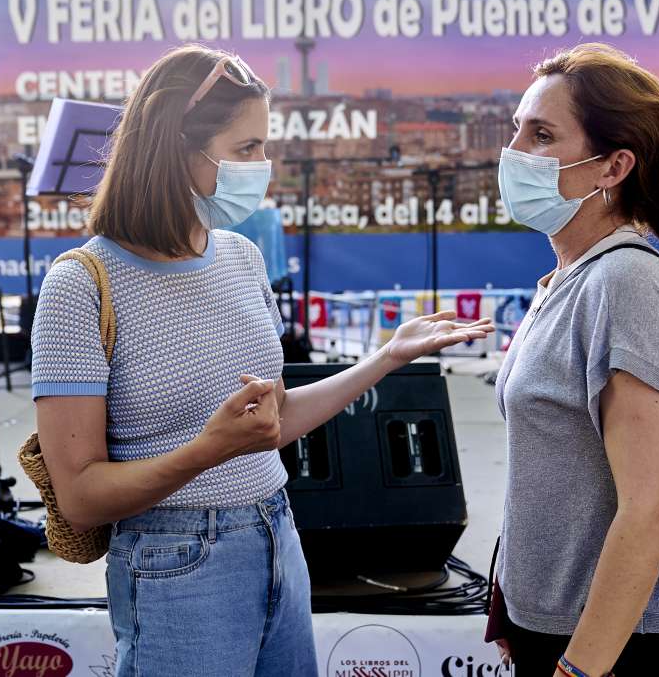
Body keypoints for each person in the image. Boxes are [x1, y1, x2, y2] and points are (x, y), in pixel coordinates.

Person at [30, 44, 492, 676]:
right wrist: (207, 450)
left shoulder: (243, 258)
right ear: (175, 147)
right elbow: (81, 497)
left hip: (277, 533)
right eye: (246, 148)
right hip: (174, 560)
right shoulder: (80, 285)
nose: (262, 166)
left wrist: (387, 357)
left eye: (264, 146)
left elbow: (272, 421)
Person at [489, 43, 659, 675]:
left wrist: (579, 666)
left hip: (609, 647)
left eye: (541, 135)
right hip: (552, 624)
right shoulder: (570, 277)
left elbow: (654, 508)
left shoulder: (624, 285)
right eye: (517, 129)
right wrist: (516, 602)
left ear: (612, 167)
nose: (514, 152)